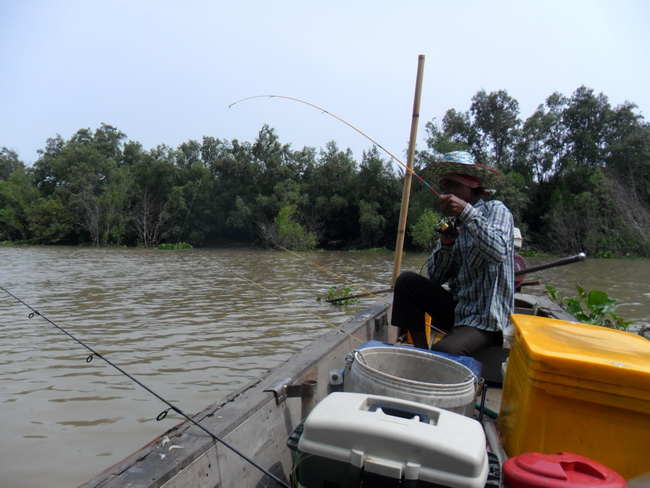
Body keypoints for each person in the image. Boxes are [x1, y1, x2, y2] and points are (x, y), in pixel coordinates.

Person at [391, 150, 515, 356]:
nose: (443, 194)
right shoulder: (453, 225)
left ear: (471, 184)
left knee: (444, 350)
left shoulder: (496, 210)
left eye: (450, 185)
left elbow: (498, 252)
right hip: (458, 311)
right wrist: (447, 245)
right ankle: (421, 353)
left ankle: (434, 356)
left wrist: (466, 212)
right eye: (442, 188)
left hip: (487, 320)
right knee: (406, 282)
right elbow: (436, 277)